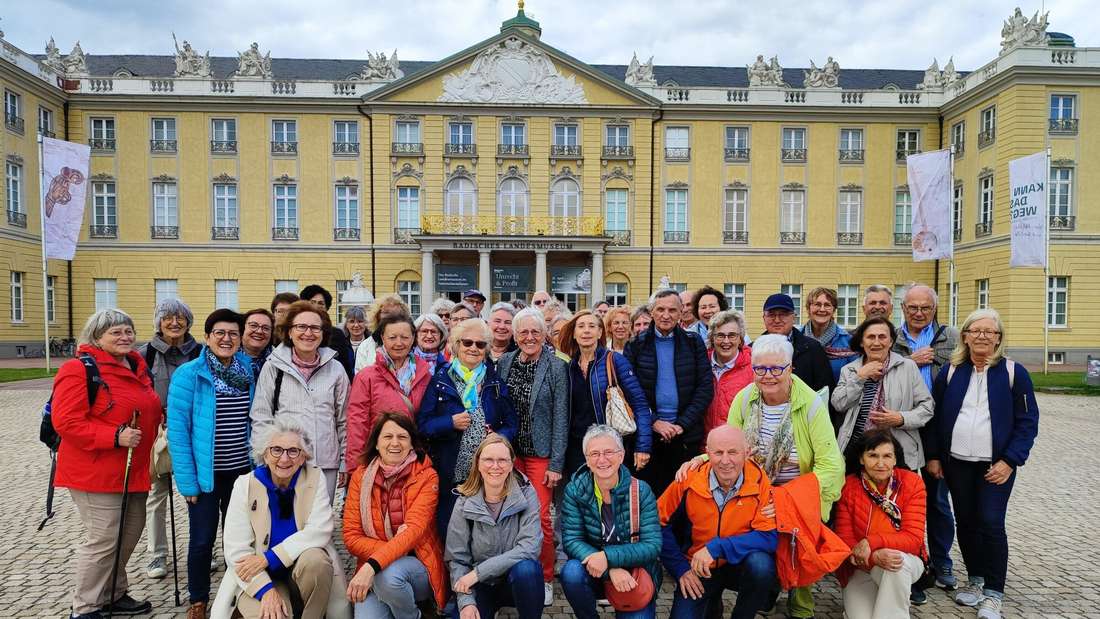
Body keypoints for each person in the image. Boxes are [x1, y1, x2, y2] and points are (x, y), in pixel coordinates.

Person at [720, 333, 844, 619]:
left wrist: (787, 500)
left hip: (798, 492)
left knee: (799, 547)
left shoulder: (810, 403)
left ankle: (801, 607)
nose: (768, 376)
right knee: (759, 554)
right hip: (756, 490)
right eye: (761, 369)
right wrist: (700, 461)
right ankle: (765, 590)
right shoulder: (744, 399)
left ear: (791, 368)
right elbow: (727, 445)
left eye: (777, 368)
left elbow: (831, 465)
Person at [925, 309, 1039, 619]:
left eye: (990, 332)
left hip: (995, 466)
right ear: (964, 336)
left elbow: (1028, 422)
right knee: (966, 522)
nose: (982, 336)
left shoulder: (1014, 373)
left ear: (999, 338)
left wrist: (1010, 460)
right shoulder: (951, 372)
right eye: (976, 331)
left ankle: (993, 593)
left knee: (990, 522)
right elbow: (935, 417)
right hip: (957, 463)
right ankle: (975, 580)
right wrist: (934, 455)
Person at [53, 309, 162, 619]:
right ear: (96, 337)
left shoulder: (136, 366)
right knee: (104, 540)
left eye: (128, 331)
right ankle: (85, 607)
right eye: (115, 332)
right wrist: (114, 436)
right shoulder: (78, 370)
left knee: (128, 535)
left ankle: (112, 594)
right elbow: (66, 421)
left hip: (134, 469)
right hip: (96, 473)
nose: (125, 337)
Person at [211, 418, 349, 619]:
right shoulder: (245, 485)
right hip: (260, 576)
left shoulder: (314, 477)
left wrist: (269, 558)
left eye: (293, 451)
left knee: (317, 562)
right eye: (276, 450)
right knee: (271, 615)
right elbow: (237, 550)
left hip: (300, 570)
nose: (284, 459)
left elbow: (319, 530)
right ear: (265, 454)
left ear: (303, 457)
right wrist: (265, 590)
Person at [166, 309, 254, 619]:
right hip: (206, 476)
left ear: (240, 339)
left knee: (239, 539)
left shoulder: (248, 370)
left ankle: (238, 597)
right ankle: (199, 599)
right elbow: (178, 433)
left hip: (241, 472)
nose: (226, 339)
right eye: (220, 333)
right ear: (207, 337)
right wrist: (187, 482)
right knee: (202, 540)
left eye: (233, 334)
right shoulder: (189, 374)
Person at [658, 425, 778, 619]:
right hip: (697, 567)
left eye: (733, 452)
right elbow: (657, 525)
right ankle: (712, 604)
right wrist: (681, 570)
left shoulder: (759, 481)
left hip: (739, 563)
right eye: (718, 453)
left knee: (761, 566)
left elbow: (768, 537)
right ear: (707, 453)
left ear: (747, 453)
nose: (725, 461)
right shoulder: (687, 478)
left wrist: (717, 547)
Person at [417, 318, 517, 536]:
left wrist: (498, 437)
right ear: (456, 345)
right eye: (467, 342)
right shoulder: (441, 380)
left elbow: (511, 423)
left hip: (486, 473)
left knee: (484, 531)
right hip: (451, 470)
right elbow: (423, 425)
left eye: (480, 344)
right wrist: (449, 422)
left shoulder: (494, 381)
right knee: (451, 529)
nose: (473, 348)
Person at [343, 413, 447, 618]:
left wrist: (373, 564)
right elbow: (351, 536)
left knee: (389, 577)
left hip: (416, 566)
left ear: (412, 444)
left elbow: (414, 531)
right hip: (374, 570)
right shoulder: (360, 477)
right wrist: (388, 555)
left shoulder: (427, 477)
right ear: (376, 443)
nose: (395, 443)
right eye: (388, 436)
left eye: (402, 437)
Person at [497, 307, 570, 599]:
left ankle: (545, 577)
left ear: (544, 335)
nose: (529, 337)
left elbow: (561, 417)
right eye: (524, 332)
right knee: (510, 515)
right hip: (511, 454)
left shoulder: (556, 367)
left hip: (541, 455)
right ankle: (514, 575)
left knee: (540, 518)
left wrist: (556, 463)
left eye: (535, 332)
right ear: (515, 336)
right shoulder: (504, 362)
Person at [893, 283, 960, 591]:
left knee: (937, 498)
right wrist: (911, 360)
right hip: (901, 424)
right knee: (901, 497)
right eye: (913, 307)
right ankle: (908, 556)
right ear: (903, 308)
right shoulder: (892, 338)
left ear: (934, 309)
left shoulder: (952, 338)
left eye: (925, 308)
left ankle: (942, 560)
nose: (918, 313)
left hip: (938, 426)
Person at [251, 301, 350, 503]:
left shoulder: (336, 369)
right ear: (289, 332)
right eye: (301, 327)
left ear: (323, 333)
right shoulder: (274, 367)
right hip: (283, 461)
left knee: (319, 517)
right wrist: (265, 459)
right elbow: (261, 416)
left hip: (324, 462)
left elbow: (345, 420)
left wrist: (345, 461)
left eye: (315, 328)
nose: (308, 333)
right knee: (284, 517)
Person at [559, 425, 662, 619]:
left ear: (621, 456)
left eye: (608, 452)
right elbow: (572, 540)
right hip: (593, 569)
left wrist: (608, 558)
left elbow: (652, 545)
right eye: (594, 454)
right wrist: (610, 568)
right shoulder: (575, 490)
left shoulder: (641, 491)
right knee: (571, 572)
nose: (602, 459)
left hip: (633, 572)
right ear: (587, 460)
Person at [624, 289, 712, 496]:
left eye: (672, 310)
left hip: (685, 436)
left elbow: (705, 388)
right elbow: (629, 391)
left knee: (683, 498)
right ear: (652, 312)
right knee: (647, 498)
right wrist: (654, 422)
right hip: (648, 436)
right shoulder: (635, 345)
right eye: (660, 309)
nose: (666, 315)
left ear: (681, 313)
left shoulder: (693, 343)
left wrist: (682, 424)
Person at [445, 435, 544, 619]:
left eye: (502, 460)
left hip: (513, 580)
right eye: (488, 460)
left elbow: (529, 548)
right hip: (480, 585)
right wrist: (466, 602)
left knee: (528, 570)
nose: (495, 466)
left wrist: (478, 573)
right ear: (478, 463)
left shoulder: (526, 493)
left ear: (512, 464)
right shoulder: (464, 501)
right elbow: (457, 558)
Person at [835, 430, 928, 619]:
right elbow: (845, 540)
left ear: (895, 459)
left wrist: (871, 543)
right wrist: (873, 557)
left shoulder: (912, 483)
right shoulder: (849, 486)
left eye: (887, 456)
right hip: (861, 565)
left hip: (905, 560)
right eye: (873, 455)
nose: (880, 463)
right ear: (861, 459)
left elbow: (913, 539)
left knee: (896, 564)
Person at [140, 298, 200, 580]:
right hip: (158, 434)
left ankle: (201, 550)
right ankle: (157, 554)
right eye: (168, 317)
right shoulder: (145, 354)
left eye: (180, 317)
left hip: (193, 432)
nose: (174, 323)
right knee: (157, 494)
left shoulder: (200, 352)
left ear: (188, 321)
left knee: (197, 494)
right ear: (159, 322)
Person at [558, 310, 652, 479]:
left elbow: (640, 405)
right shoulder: (570, 367)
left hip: (609, 447)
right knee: (580, 493)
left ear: (600, 332)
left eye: (592, 326)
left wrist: (643, 446)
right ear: (574, 334)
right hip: (577, 449)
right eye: (581, 326)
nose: (586, 331)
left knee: (611, 493)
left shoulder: (614, 360)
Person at [832, 317, 933, 467]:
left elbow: (927, 407)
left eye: (882, 337)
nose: (876, 342)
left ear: (891, 342)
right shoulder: (850, 370)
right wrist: (859, 378)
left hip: (898, 452)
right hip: (858, 451)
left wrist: (901, 418)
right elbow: (838, 404)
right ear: (862, 342)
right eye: (870, 337)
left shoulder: (908, 367)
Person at [345, 314, 432, 471]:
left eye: (405, 337)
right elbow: (357, 425)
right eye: (392, 337)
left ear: (413, 338)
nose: (399, 343)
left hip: (415, 460)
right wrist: (355, 467)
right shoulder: (366, 377)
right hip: (377, 458)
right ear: (382, 338)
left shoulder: (425, 374)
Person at [760, 293, 835, 400]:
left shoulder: (813, 349)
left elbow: (825, 390)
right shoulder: (753, 350)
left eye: (783, 314)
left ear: (794, 317)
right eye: (771, 315)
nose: (777, 320)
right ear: (764, 318)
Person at [704, 310, 753, 436]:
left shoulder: (753, 368)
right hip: (704, 441)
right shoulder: (701, 363)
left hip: (736, 442)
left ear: (740, 339)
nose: (726, 341)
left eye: (732, 335)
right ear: (712, 338)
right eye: (720, 335)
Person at [799, 287, 857, 381]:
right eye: (817, 304)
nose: (822, 309)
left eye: (827, 305)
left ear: (834, 310)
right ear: (808, 308)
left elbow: (854, 378)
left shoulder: (848, 342)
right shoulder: (796, 338)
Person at [301, 284, 355, 379]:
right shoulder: (297, 331)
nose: (316, 307)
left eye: (321, 303)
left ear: (326, 308)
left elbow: (346, 367)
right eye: (312, 302)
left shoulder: (337, 334)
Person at [354, 295, 412, 373]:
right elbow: (361, 376)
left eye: (394, 314)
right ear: (377, 317)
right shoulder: (366, 347)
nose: (390, 318)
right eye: (386, 313)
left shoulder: (411, 343)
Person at [241, 309, 275, 381]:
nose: (259, 331)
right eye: (253, 325)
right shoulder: (228, 356)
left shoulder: (279, 360)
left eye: (266, 328)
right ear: (243, 328)